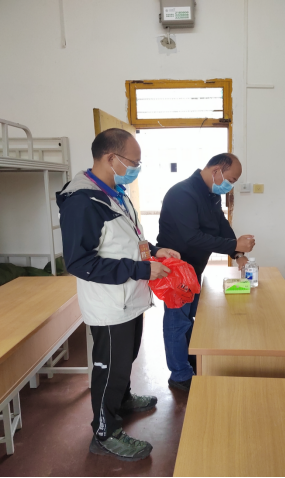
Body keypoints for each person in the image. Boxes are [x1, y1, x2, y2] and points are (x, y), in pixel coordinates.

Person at [57, 128, 180, 462]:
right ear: (111, 158)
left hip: (130, 298)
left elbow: (127, 240)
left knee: (126, 359)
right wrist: (139, 270)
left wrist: (154, 250)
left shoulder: (115, 193)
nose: (137, 168)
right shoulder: (82, 202)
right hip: (109, 305)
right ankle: (104, 433)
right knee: (109, 369)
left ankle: (123, 400)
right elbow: (79, 263)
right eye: (134, 162)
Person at [157, 153, 256, 392]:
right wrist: (234, 245)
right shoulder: (182, 194)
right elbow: (191, 237)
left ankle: (190, 360)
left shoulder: (211, 194)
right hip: (176, 271)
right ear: (216, 171)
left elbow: (222, 226)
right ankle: (179, 375)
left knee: (190, 318)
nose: (230, 185)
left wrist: (238, 254)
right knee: (177, 321)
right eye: (230, 179)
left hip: (193, 268)